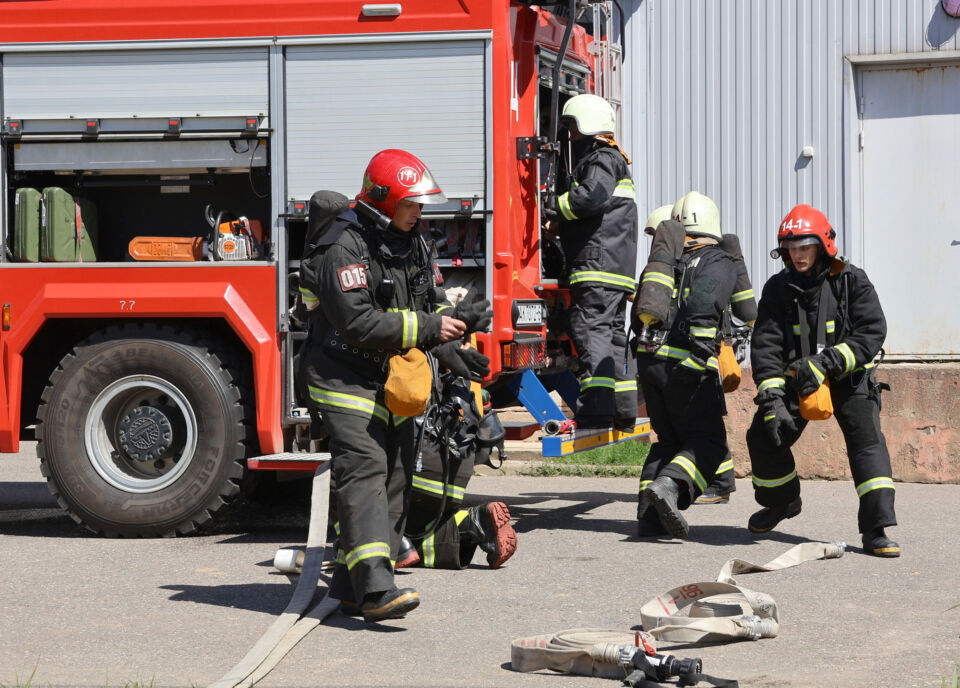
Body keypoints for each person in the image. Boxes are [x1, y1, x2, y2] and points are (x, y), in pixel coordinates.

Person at [297, 149, 493, 622]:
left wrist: (455, 355)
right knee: (365, 470)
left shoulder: (414, 244)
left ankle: (349, 584)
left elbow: (429, 312)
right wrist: (432, 330)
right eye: (412, 204)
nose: (419, 212)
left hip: (388, 379)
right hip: (341, 375)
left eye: (421, 205)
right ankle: (377, 591)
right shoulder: (344, 247)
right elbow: (360, 323)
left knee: (397, 479)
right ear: (384, 200)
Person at [746, 204, 899, 557]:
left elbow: (871, 332)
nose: (797, 255)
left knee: (867, 446)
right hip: (797, 381)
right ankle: (782, 502)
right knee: (764, 434)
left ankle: (876, 529)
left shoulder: (851, 280)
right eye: (791, 248)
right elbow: (766, 344)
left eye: (804, 247)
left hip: (849, 380)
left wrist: (827, 363)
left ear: (823, 245)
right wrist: (770, 398)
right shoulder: (777, 288)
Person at [633, 192, 738, 539]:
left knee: (667, 440)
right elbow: (706, 303)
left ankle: (649, 518)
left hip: (649, 363)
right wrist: (702, 353)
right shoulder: (717, 261)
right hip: (686, 365)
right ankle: (671, 487)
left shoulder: (667, 260)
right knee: (706, 442)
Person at [544, 93, 638, 430]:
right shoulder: (615, 160)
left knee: (590, 330)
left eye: (572, 129)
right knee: (613, 336)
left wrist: (554, 207)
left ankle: (596, 411)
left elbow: (593, 196)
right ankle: (624, 411)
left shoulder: (600, 160)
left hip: (597, 265)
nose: (569, 137)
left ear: (588, 129)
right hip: (616, 267)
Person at [397, 351, 518, 571]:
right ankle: (473, 522)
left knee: (397, 538)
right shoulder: (452, 361)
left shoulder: (397, 355)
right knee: (425, 526)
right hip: (455, 468)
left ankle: (381, 546)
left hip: (416, 471)